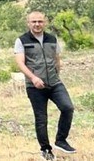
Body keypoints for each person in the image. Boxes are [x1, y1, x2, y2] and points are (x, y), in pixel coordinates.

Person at [14, 11, 76, 160]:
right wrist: (33, 78)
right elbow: (20, 63)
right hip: (34, 87)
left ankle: (61, 141)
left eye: (40, 21)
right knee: (41, 119)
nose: (37, 24)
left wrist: (57, 75)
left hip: (54, 83)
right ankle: (46, 150)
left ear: (45, 22)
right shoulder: (22, 40)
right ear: (28, 23)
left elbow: (57, 59)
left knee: (68, 108)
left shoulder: (52, 39)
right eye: (34, 21)